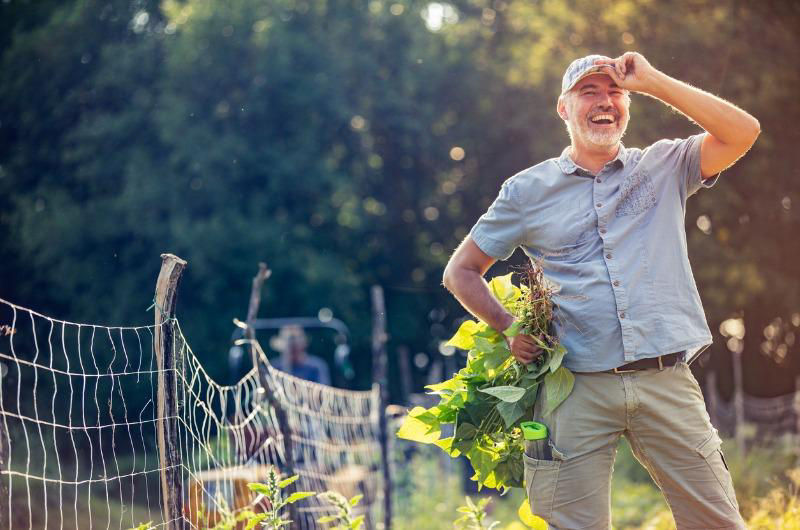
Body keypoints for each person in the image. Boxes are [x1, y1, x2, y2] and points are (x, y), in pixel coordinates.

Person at [443, 52, 759, 529]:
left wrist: (652, 81)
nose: (604, 100)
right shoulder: (526, 191)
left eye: (614, 91)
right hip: (576, 387)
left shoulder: (666, 165)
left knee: (718, 523)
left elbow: (744, 132)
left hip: (666, 378)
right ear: (564, 108)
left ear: (629, 106)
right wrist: (508, 328)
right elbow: (461, 271)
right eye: (588, 91)